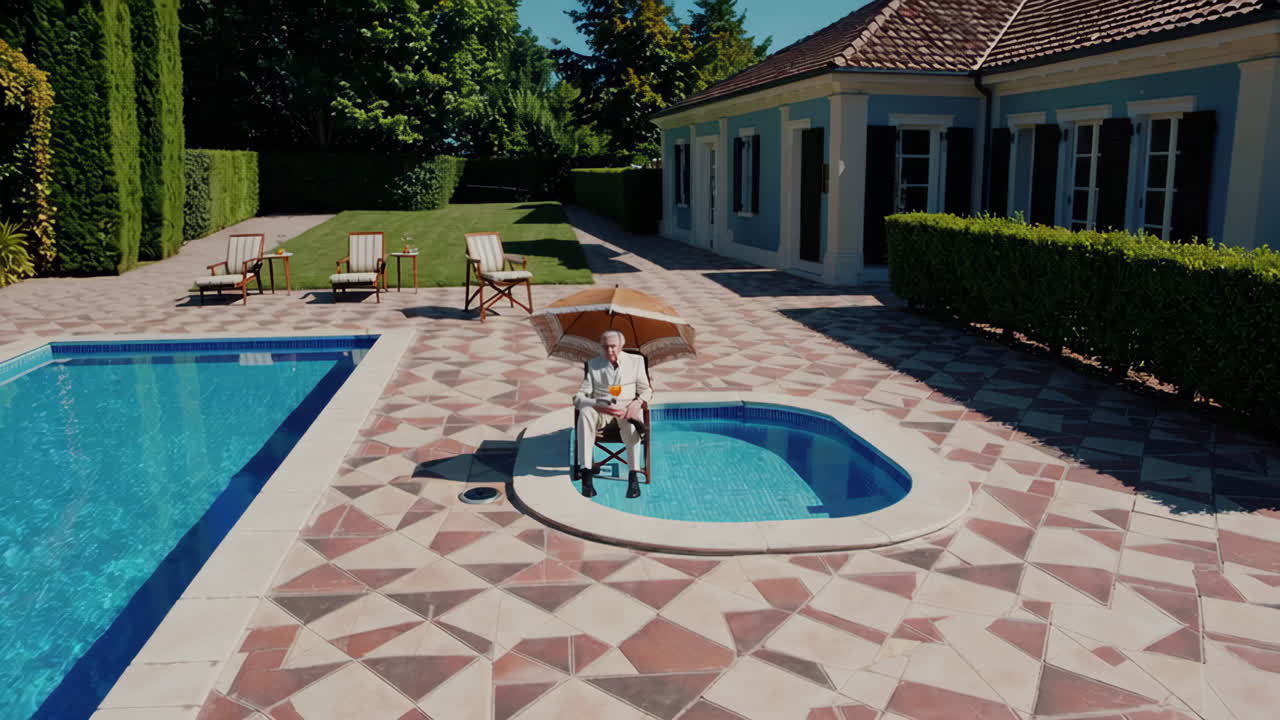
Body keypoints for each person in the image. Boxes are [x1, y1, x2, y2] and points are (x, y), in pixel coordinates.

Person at [573, 329, 652, 499]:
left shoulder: (636, 361)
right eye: (605, 347)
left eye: (613, 347)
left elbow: (647, 391)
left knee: (632, 425)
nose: (610, 351)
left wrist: (637, 403)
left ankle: (633, 476)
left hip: (626, 410)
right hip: (602, 411)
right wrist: (596, 404)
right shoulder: (594, 364)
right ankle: (586, 473)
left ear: (622, 345)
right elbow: (578, 398)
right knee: (585, 412)